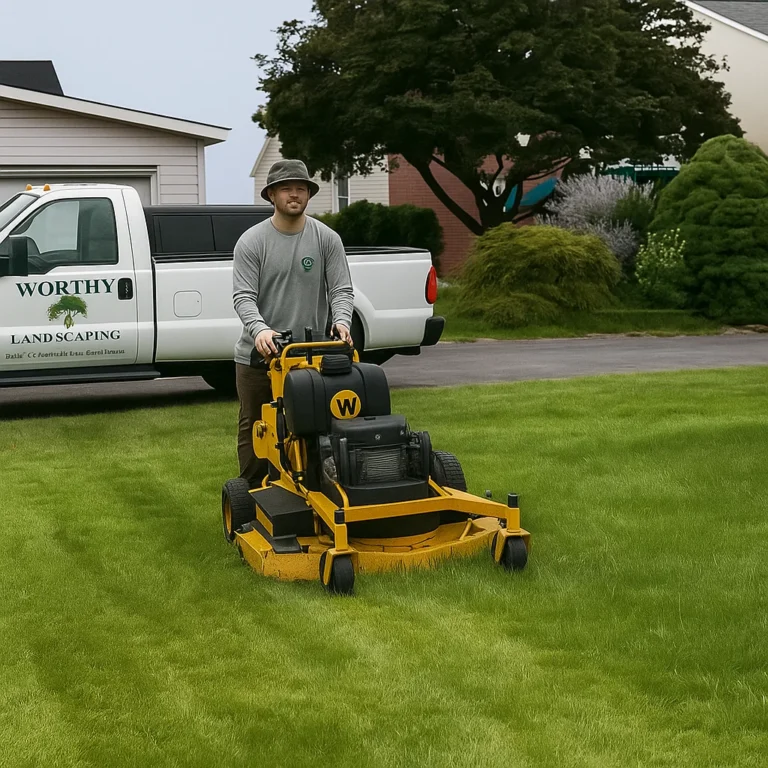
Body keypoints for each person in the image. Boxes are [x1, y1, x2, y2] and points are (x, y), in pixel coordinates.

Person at [232, 159, 354, 486]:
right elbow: (243, 297)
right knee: (258, 426)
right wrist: (260, 330)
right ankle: (254, 495)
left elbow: (341, 288)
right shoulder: (252, 242)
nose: (294, 194)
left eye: (301, 188)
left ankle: (312, 489)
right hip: (260, 357)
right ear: (272, 194)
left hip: (310, 354)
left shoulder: (326, 238)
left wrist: (342, 320)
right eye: (287, 189)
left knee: (316, 426)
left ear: (309, 195)